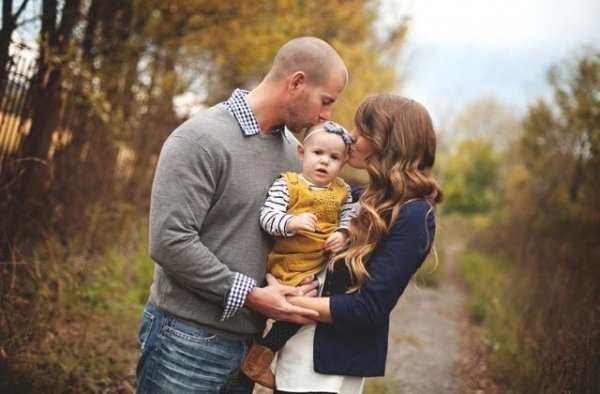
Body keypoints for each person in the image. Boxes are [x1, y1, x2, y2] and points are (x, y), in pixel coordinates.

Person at [135, 36, 348, 393]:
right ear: (296, 82)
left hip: (246, 348)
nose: (326, 115)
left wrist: (286, 288)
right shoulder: (200, 139)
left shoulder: (295, 155)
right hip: (184, 340)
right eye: (325, 101)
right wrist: (252, 295)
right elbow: (169, 241)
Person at [272, 93, 443, 393]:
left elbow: (369, 308)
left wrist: (283, 301)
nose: (349, 138)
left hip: (328, 366)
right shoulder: (354, 197)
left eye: (362, 131)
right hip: (296, 349)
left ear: (388, 143)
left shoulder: (414, 214)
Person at [240, 120, 355, 388]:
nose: (324, 161)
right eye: (318, 153)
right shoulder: (288, 183)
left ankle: (262, 357)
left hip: (317, 268)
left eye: (334, 157)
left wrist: (343, 234)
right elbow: (267, 217)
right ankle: (258, 358)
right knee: (295, 311)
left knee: (306, 315)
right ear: (302, 153)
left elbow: (351, 218)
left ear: (343, 163)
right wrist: (292, 222)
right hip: (289, 263)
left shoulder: (342, 192)